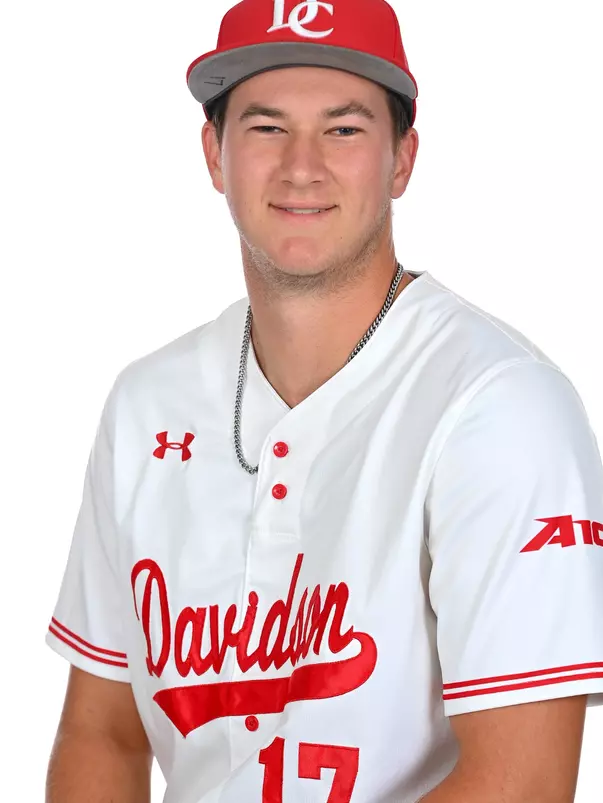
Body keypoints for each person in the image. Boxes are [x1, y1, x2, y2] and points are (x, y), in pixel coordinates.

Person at [44, 0, 603, 801]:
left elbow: (522, 783)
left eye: (343, 129)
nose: (300, 166)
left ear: (401, 160)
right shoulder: (146, 405)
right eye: (266, 128)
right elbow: (103, 731)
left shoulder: (499, 406)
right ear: (214, 154)